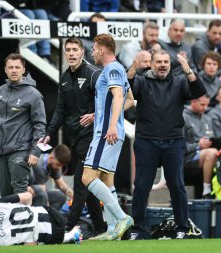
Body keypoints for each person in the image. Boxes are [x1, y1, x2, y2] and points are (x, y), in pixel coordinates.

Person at [131, 49, 206, 239]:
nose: (163, 65)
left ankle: (182, 228)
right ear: (152, 64)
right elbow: (126, 89)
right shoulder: (142, 80)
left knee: (177, 186)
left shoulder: (180, 80)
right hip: (146, 141)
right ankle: (138, 229)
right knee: (141, 186)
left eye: (166, 62)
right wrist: (133, 67)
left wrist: (188, 70)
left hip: (174, 142)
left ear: (170, 65)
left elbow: (199, 91)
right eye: (159, 62)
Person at [38, 37, 106, 234]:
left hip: (92, 137)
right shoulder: (65, 77)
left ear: (82, 52)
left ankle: (68, 228)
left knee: (80, 183)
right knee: (90, 185)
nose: (71, 53)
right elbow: (60, 108)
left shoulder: (94, 74)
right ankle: (101, 229)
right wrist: (50, 133)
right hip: (74, 137)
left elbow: (109, 102)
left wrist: (94, 116)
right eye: (68, 50)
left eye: (75, 49)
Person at [81, 33, 135, 240]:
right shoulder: (119, 68)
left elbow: (120, 96)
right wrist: (100, 113)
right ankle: (113, 230)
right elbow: (130, 99)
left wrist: (111, 125)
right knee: (106, 179)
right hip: (111, 131)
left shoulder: (111, 68)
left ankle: (121, 218)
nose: (93, 52)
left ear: (102, 50)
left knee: (87, 177)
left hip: (107, 133)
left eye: (94, 49)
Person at [0, 53, 46, 197]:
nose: (14, 70)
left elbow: (40, 126)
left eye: (17, 67)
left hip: (20, 150)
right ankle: (10, 220)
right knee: (5, 194)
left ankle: (24, 220)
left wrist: (36, 151)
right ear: (5, 70)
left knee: (20, 193)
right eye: (10, 67)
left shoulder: (34, 94)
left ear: (23, 69)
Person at [0, 192, 82, 245]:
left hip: (53, 236)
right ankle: (70, 234)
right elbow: (27, 195)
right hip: (52, 215)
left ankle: (69, 236)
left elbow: (29, 245)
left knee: (33, 239)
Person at [183, 95, 218, 198]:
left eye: (207, 104)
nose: (205, 108)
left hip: (206, 154)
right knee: (211, 153)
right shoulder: (182, 117)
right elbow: (177, 145)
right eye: (202, 104)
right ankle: (206, 189)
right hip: (188, 156)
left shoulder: (207, 118)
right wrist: (198, 146)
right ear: (193, 101)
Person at [30, 144, 73, 210]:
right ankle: (44, 217)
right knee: (42, 193)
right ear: (51, 158)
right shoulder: (39, 164)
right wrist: (47, 206)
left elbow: (62, 186)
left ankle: (51, 217)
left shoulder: (53, 165)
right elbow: (42, 190)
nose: (60, 168)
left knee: (60, 196)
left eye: (62, 166)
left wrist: (76, 198)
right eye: (59, 165)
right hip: (28, 191)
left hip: (39, 192)